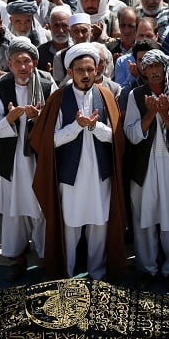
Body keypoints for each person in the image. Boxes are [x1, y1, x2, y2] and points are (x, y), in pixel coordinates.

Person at [30, 43, 126, 280]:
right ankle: (67, 275)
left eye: (89, 70)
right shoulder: (59, 99)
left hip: (100, 176)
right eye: (80, 70)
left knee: (99, 226)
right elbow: (47, 142)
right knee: (70, 227)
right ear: (70, 72)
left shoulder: (106, 96)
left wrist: (93, 126)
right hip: (70, 177)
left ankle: (98, 275)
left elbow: (117, 139)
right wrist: (76, 127)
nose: (85, 75)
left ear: (97, 70)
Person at [0, 37, 56, 281]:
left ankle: (45, 254)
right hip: (13, 158)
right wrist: (11, 117)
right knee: (15, 208)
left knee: (42, 205)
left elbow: (58, 122)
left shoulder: (48, 84)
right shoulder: (2, 86)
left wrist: (40, 119)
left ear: (35, 62)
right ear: (9, 63)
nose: (23, 67)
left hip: (39, 158)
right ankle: (17, 256)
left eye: (27, 61)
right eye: (17, 62)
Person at [124, 49, 169, 291]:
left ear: (164, 68)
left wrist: (165, 113)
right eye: (148, 69)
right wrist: (151, 113)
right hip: (145, 165)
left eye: (157, 67)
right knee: (144, 218)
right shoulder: (136, 96)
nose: (154, 73)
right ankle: (147, 270)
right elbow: (131, 134)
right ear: (143, 72)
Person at [38, 5, 71, 73]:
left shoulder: (76, 49)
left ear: (71, 27)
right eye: (56, 26)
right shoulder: (40, 52)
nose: (61, 31)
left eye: (65, 26)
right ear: (49, 27)